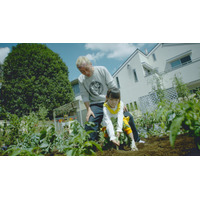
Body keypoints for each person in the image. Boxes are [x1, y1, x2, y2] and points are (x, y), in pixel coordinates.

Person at [76, 56, 145, 143]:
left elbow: (113, 87)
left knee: (128, 116)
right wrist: (88, 109)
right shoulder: (81, 79)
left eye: (87, 69)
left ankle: (136, 140)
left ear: (90, 64)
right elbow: (84, 96)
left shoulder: (102, 70)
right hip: (95, 104)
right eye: (82, 71)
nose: (86, 73)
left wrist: (120, 102)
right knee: (91, 122)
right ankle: (91, 146)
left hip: (110, 101)